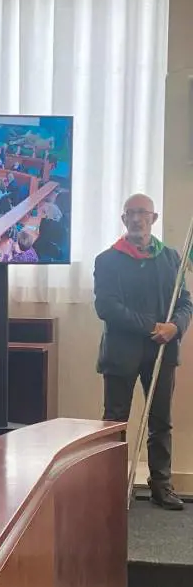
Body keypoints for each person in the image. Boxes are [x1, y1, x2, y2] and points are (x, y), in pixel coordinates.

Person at [94, 193, 192, 510]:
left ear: (154, 218)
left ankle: (161, 485)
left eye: (143, 213)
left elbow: (185, 303)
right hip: (121, 353)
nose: (137, 219)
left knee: (161, 421)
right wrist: (153, 327)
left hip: (162, 354)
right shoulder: (107, 260)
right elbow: (107, 307)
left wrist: (175, 327)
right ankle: (110, 486)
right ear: (124, 219)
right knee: (115, 422)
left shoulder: (171, 258)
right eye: (131, 213)